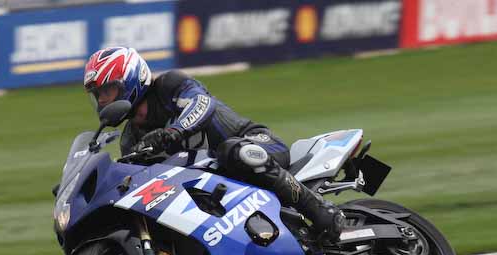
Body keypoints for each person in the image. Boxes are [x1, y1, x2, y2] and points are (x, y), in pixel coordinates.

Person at [83, 47, 345, 239]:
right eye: (98, 95)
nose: (103, 101)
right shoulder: (130, 138)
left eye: (107, 90)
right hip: (217, 181)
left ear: (131, 79)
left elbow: (202, 103)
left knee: (234, 151)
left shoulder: (169, 86)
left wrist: (172, 132)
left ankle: (319, 210)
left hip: (258, 144)